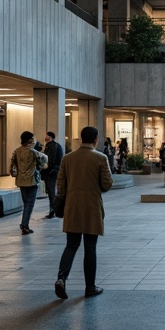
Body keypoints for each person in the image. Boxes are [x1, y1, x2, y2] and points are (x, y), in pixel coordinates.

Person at [55, 125, 113, 299]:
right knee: (90, 247)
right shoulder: (100, 158)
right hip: (91, 208)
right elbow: (107, 184)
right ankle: (90, 287)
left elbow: (60, 185)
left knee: (71, 245)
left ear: (81, 138)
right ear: (95, 139)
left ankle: (61, 279)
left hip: (72, 207)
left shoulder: (67, 158)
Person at [11, 131, 46, 235]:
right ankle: (24, 225)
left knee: (26, 203)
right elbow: (41, 163)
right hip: (31, 181)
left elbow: (13, 163)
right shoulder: (33, 152)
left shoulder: (17, 151)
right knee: (29, 204)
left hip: (20, 181)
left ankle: (24, 224)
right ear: (30, 140)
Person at [42, 131, 64, 219]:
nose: (45, 137)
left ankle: (53, 210)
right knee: (51, 191)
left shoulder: (52, 146)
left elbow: (50, 160)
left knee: (51, 192)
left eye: (46, 135)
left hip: (51, 172)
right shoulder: (53, 145)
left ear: (50, 136)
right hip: (53, 171)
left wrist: (47, 169)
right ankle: (53, 210)